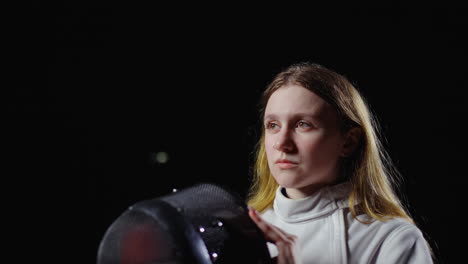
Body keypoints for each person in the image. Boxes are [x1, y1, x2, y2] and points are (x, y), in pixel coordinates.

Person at [246, 62, 434, 264]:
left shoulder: (392, 239)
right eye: (273, 125)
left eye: (303, 125)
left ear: (348, 141)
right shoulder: (244, 230)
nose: (282, 144)